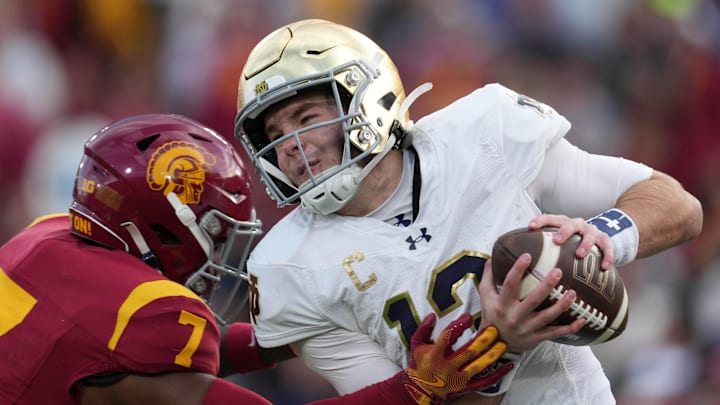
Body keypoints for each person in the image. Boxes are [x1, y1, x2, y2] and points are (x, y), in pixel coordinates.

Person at [232, 19, 703, 404]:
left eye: (307, 119)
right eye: (273, 135)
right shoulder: (287, 268)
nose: (289, 147)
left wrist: (599, 238)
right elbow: (401, 400)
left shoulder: (482, 134)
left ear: (364, 99)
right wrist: (501, 347)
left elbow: (678, 207)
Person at [0, 113, 513, 405]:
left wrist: (293, 334)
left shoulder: (45, 239)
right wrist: (413, 389)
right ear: (160, 226)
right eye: (216, 230)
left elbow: (103, 352)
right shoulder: (143, 316)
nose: (224, 251)